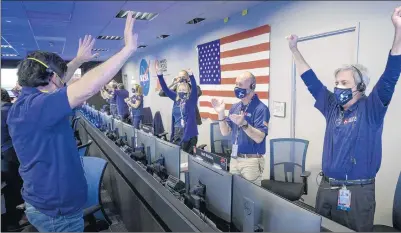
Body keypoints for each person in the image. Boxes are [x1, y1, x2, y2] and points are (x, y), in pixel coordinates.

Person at [7, 12, 138, 232]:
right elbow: (86, 87)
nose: (63, 84)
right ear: (49, 78)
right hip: (59, 214)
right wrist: (127, 50)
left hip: (48, 204)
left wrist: (78, 61)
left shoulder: (28, 104)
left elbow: (56, 83)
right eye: (60, 79)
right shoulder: (37, 107)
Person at [286, 6, 401, 232]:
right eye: (336, 82)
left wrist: (398, 31)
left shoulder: (372, 107)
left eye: (344, 83)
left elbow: (391, 74)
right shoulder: (331, 106)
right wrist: (294, 50)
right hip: (327, 188)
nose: (338, 87)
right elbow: (311, 81)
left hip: (357, 194)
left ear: (360, 87)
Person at [211, 71, 270, 186]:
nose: (237, 87)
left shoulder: (261, 109)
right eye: (236, 84)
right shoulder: (235, 107)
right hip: (234, 159)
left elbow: (259, 138)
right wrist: (221, 113)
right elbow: (225, 132)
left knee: (250, 198)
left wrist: (244, 124)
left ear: (252, 86)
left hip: (251, 162)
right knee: (234, 194)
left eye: (241, 84)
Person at [156, 64, 199, 154]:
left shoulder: (191, 99)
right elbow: (164, 89)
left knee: (186, 160)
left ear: (188, 90)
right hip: (177, 131)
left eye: (184, 88)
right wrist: (160, 75)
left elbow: (195, 88)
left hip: (189, 132)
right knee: (177, 157)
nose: (181, 87)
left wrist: (191, 76)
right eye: (180, 88)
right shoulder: (176, 97)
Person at [1, 88, 24, 231]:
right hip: (20, 155)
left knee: (10, 189)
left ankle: (14, 221)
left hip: (8, 156)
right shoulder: (14, 109)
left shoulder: (2, 111)